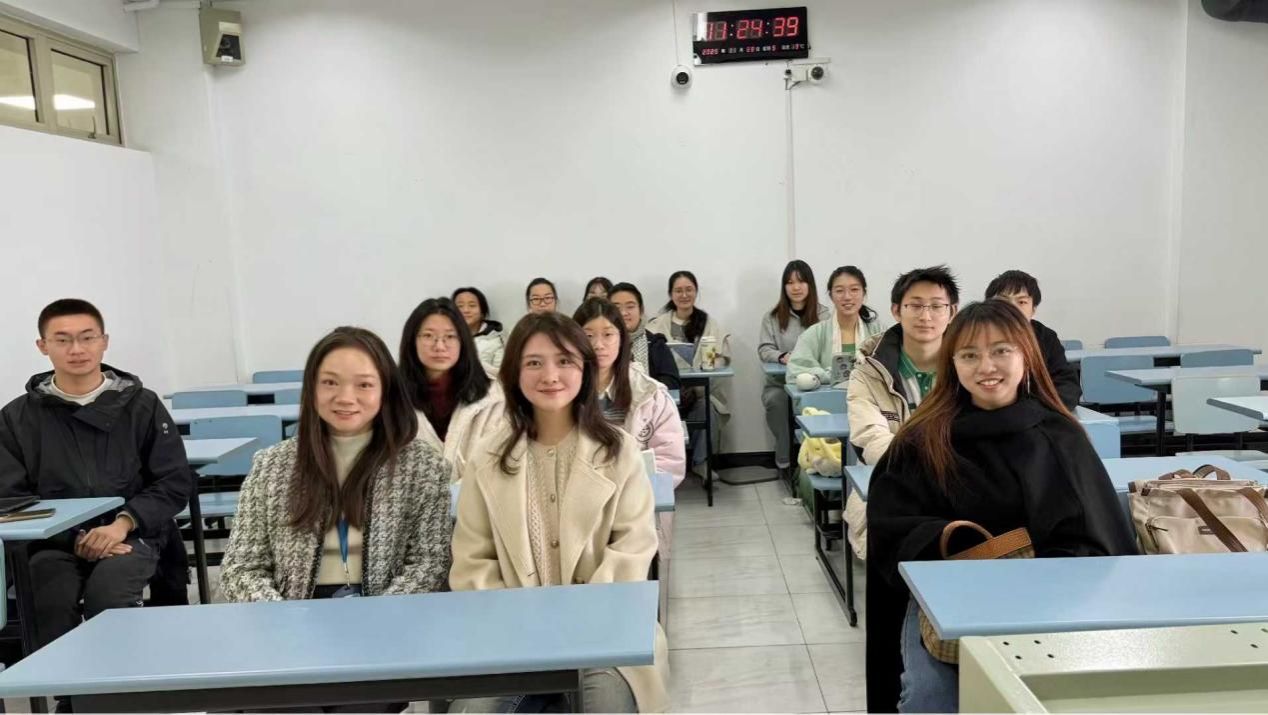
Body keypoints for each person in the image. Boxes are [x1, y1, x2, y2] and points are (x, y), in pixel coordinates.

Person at [865, 301, 1138, 712]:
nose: (986, 366)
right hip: (948, 599)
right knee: (931, 697)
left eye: (1001, 351)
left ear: (1025, 355)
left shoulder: (1060, 435)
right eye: (969, 355)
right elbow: (891, 526)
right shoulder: (923, 438)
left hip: (1051, 601)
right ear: (952, 363)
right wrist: (950, 542)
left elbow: (1100, 540)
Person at [450, 312, 669, 713]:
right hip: (510, 638)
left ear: (585, 369)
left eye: (564, 360)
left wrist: (579, 619)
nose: (550, 375)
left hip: (603, 634)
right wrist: (522, 623)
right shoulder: (487, 457)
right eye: (534, 362)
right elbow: (472, 561)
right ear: (514, 372)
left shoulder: (619, 451)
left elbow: (633, 548)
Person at [0, 299, 192, 652]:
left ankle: (120, 682)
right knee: (48, 600)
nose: (77, 349)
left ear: (104, 341)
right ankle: (62, 685)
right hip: (52, 543)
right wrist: (74, 536)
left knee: (110, 595)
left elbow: (173, 481)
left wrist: (122, 524)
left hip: (133, 533)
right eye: (62, 340)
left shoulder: (142, 405)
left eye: (87, 337)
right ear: (42, 346)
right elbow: (11, 498)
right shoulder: (16, 418)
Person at [221, 326, 452, 604]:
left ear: (386, 390)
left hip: (390, 613)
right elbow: (241, 568)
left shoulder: (424, 467)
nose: (345, 397)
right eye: (330, 382)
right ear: (311, 388)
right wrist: (283, 616)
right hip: (292, 613)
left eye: (364, 385)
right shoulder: (271, 465)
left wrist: (381, 616)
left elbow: (430, 563)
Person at [848, 265, 960, 465]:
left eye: (936, 306)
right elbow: (871, 438)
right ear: (896, 311)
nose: (925, 317)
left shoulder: (969, 368)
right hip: (891, 475)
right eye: (915, 306)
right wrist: (928, 466)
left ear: (952, 312)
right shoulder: (868, 371)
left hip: (958, 478)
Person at [574, 298, 685, 486]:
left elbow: (670, 463)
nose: (598, 344)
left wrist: (628, 494)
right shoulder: (562, 392)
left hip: (638, 498)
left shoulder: (651, 395)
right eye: (588, 335)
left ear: (621, 339)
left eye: (608, 334)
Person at [399, 298, 506, 478]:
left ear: (463, 341)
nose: (440, 346)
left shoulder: (494, 396)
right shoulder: (391, 394)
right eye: (428, 336)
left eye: (450, 336)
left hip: (477, 494)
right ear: (412, 341)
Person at [646, 270, 730, 471]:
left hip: (699, 393)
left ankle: (701, 464)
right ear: (671, 294)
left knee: (707, 409)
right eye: (678, 290)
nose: (684, 295)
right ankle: (661, 469)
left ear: (696, 292)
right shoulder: (656, 325)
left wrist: (697, 388)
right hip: (665, 396)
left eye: (689, 290)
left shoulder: (709, 324)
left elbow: (723, 359)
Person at [757, 260, 830, 480]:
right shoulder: (772, 317)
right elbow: (764, 349)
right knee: (777, 401)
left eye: (801, 281)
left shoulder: (824, 315)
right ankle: (785, 461)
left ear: (810, 285)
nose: (796, 287)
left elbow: (828, 349)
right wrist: (782, 357)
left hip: (817, 384)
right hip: (780, 383)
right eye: (789, 282)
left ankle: (823, 462)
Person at [984, 270, 1081, 409]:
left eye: (1022, 302)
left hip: (1037, 413)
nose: (1012, 308)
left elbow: (1067, 385)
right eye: (1003, 301)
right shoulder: (971, 335)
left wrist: (1037, 409)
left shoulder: (1045, 337)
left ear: (1033, 310)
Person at [787, 265, 888, 389]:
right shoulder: (814, 333)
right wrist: (832, 376)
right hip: (826, 400)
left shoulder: (879, 332)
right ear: (831, 296)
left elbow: (892, 369)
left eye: (854, 289)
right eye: (839, 291)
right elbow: (794, 373)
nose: (847, 297)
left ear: (864, 293)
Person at [608, 282, 680, 390]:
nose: (623, 313)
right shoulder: (601, 345)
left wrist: (644, 391)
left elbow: (672, 382)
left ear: (641, 310)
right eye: (616, 308)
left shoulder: (656, 344)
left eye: (630, 307)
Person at [452, 286, 504, 369]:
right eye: (460, 306)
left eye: (472, 305)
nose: (466, 310)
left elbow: (500, 373)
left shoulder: (496, 339)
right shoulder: (445, 337)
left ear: (482, 311)